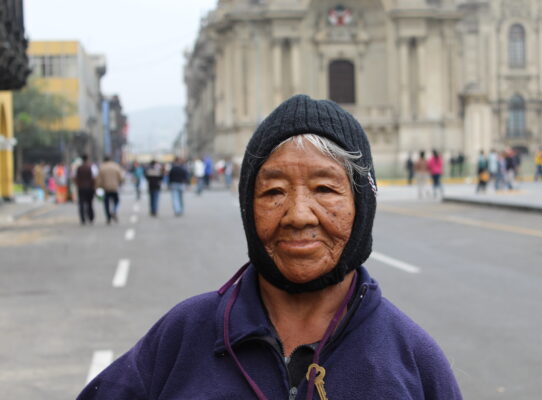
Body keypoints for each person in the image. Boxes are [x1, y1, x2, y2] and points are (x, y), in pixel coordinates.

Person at [77, 95, 462, 400]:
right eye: (273, 192)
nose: (298, 215)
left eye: (325, 189)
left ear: (363, 205)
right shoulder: (183, 336)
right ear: (248, 206)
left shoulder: (413, 361)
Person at [96, 156, 124, 224]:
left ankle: (108, 217)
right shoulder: (116, 166)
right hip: (114, 187)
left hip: (105, 188)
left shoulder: (102, 167)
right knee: (116, 201)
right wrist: (120, 183)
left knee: (106, 204)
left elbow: (98, 180)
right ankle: (114, 210)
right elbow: (121, 177)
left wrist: (98, 187)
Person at [74, 154, 95, 225]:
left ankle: (82, 219)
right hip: (89, 188)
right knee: (89, 203)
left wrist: (78, 185)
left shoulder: (79, 168)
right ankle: (91, 217)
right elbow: (92, 178)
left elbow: (76, 178)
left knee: (81, 204)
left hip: (81, 188)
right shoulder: (90, 167)